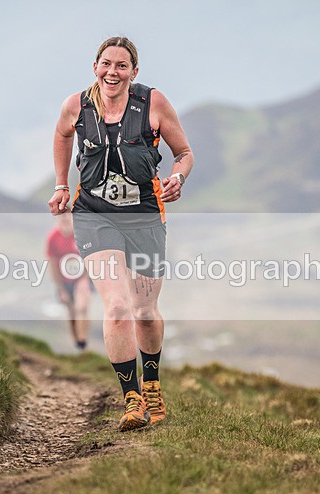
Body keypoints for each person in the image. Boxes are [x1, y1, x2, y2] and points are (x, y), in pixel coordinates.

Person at [49, 36, 193, 431]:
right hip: (95, 214)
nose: (112, 72)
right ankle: (131, 400)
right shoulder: (76, 107)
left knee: (144, 312)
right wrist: (62, 184)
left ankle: (151, 385)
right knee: (115, 308)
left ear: (134, 71)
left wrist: (177, 177)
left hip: (145, 216)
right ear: (95, 66)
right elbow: (62, 135)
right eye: (106, 64)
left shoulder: (153, 104)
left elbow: (184, 153)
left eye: (121, 66)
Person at [45, 211, 92, 351]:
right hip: (64, 280)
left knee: (82, 307)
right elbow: (52, 264)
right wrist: (61, 289)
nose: (65, 218)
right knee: (71, 312)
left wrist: (84, 278)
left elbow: (89, 257)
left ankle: (83, 341)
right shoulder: (53, 238)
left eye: (68, 214)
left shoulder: (80, 235)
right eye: (62, 215)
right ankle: (77, 343)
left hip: (82, 278)